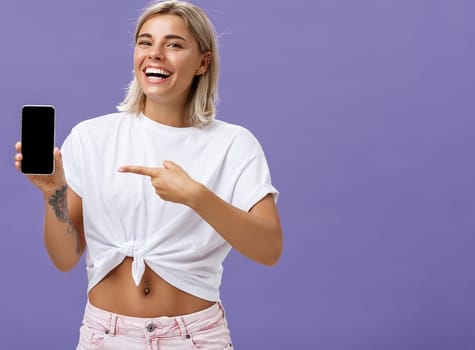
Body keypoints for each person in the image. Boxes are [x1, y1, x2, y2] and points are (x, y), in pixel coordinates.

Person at [13, 1, 282, 348]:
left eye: (174, 44)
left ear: (203, 61)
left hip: (195, 337)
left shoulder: (234, 144)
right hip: (105, 337)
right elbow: (65, 258)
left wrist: (196, 197)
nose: (155, 54)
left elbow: (269, 248)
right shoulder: (91, 136)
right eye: (145, 42)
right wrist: (54, 193)